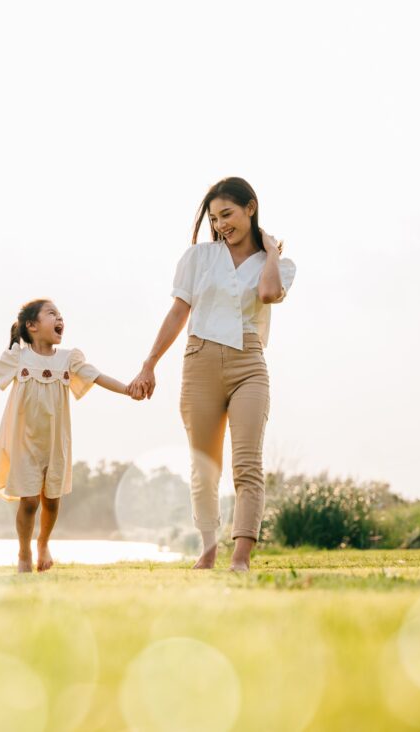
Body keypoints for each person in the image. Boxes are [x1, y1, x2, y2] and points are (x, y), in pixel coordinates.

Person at [128, 177, 295, 572]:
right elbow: (177, 313)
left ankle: (241, 556)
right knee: (204, 465)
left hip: (249, 363)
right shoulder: (198, 257)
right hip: (199, 360)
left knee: (247, 463)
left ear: (250, 208)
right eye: (215, 218)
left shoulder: (281, 265)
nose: (221, 225)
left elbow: (269, 293)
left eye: (229, 214)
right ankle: (208, 549)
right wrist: (149, 364)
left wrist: (269, 250)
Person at [0, 299, 141, 573]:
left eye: (61, 315)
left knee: (52, 501)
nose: (60, 319)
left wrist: (128, 389)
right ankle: (24, 552)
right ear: (31, 325)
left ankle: (43, 542)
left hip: (56, 443)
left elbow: (98, 376)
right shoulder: (18, 357)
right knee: (29, 501)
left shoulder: (69, 359)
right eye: (52, 314)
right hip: (24, 442)